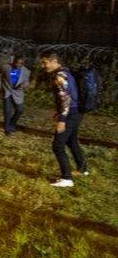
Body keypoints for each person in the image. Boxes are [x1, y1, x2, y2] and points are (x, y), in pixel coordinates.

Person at [40, 51, 88, 187]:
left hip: (70, 114)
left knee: (58, 145)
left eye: (45, 62)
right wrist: (59, 112)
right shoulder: (66, 72)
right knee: (71, 141)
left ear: (54, 61)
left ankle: (67, 178)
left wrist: (62, 119)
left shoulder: (59, 76)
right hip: (76, 111)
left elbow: (65, 99)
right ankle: (83, 169)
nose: (43, 65)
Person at [0, 55, 30, 136]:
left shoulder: (26, 71)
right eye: (16, 63)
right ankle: (7, 130)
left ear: (22, 64)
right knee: (7, 111)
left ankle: (11, 124)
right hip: (7, 91)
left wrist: (23, 85)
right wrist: (0, 87)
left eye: (19, 64)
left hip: (18, 93)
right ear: (13, 61)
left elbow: (27, 82)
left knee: (19, 110)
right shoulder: (6, 67)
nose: (17, 65)